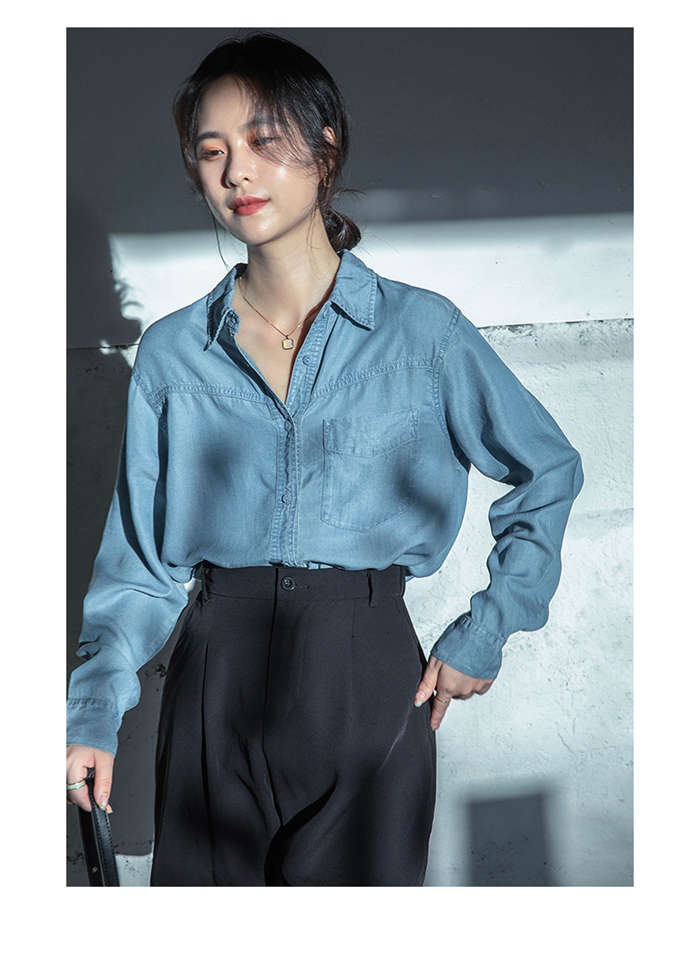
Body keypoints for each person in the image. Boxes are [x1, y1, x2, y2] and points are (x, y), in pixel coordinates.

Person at [66, 31, 584, 887]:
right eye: (211, 150)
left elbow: (548, 468)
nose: (237, 170)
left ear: (325, 146)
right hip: (214, 678)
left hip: (367, 677)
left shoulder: (423, 333)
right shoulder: (172, 355)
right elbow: (140, 569)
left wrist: (488, 628)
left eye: (263, 140)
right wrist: (91, 711)